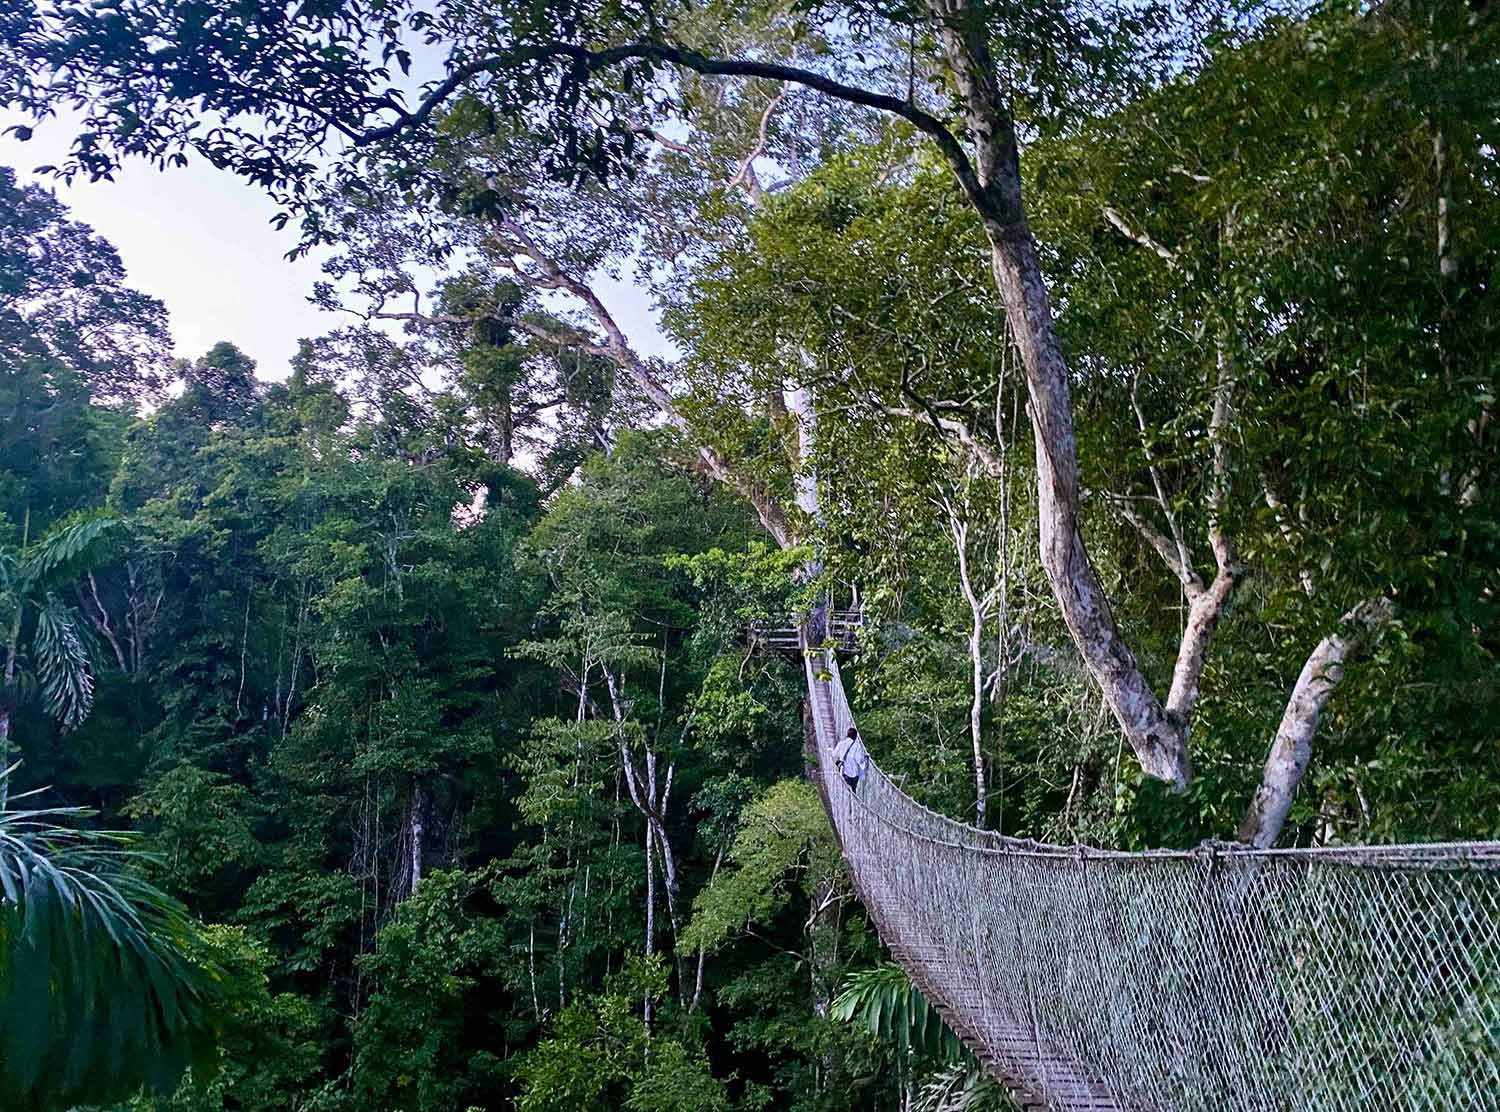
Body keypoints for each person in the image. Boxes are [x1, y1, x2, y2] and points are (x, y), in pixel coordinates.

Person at [833, 726, 869, 795]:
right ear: (855, 736)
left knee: (846, 791)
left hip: (844, 772)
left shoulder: (841, 743)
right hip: (854, 774)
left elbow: (834, 754)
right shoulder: (857, 746)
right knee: (853, 791)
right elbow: (859, 760)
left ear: (847, 734)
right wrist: (865, 758)